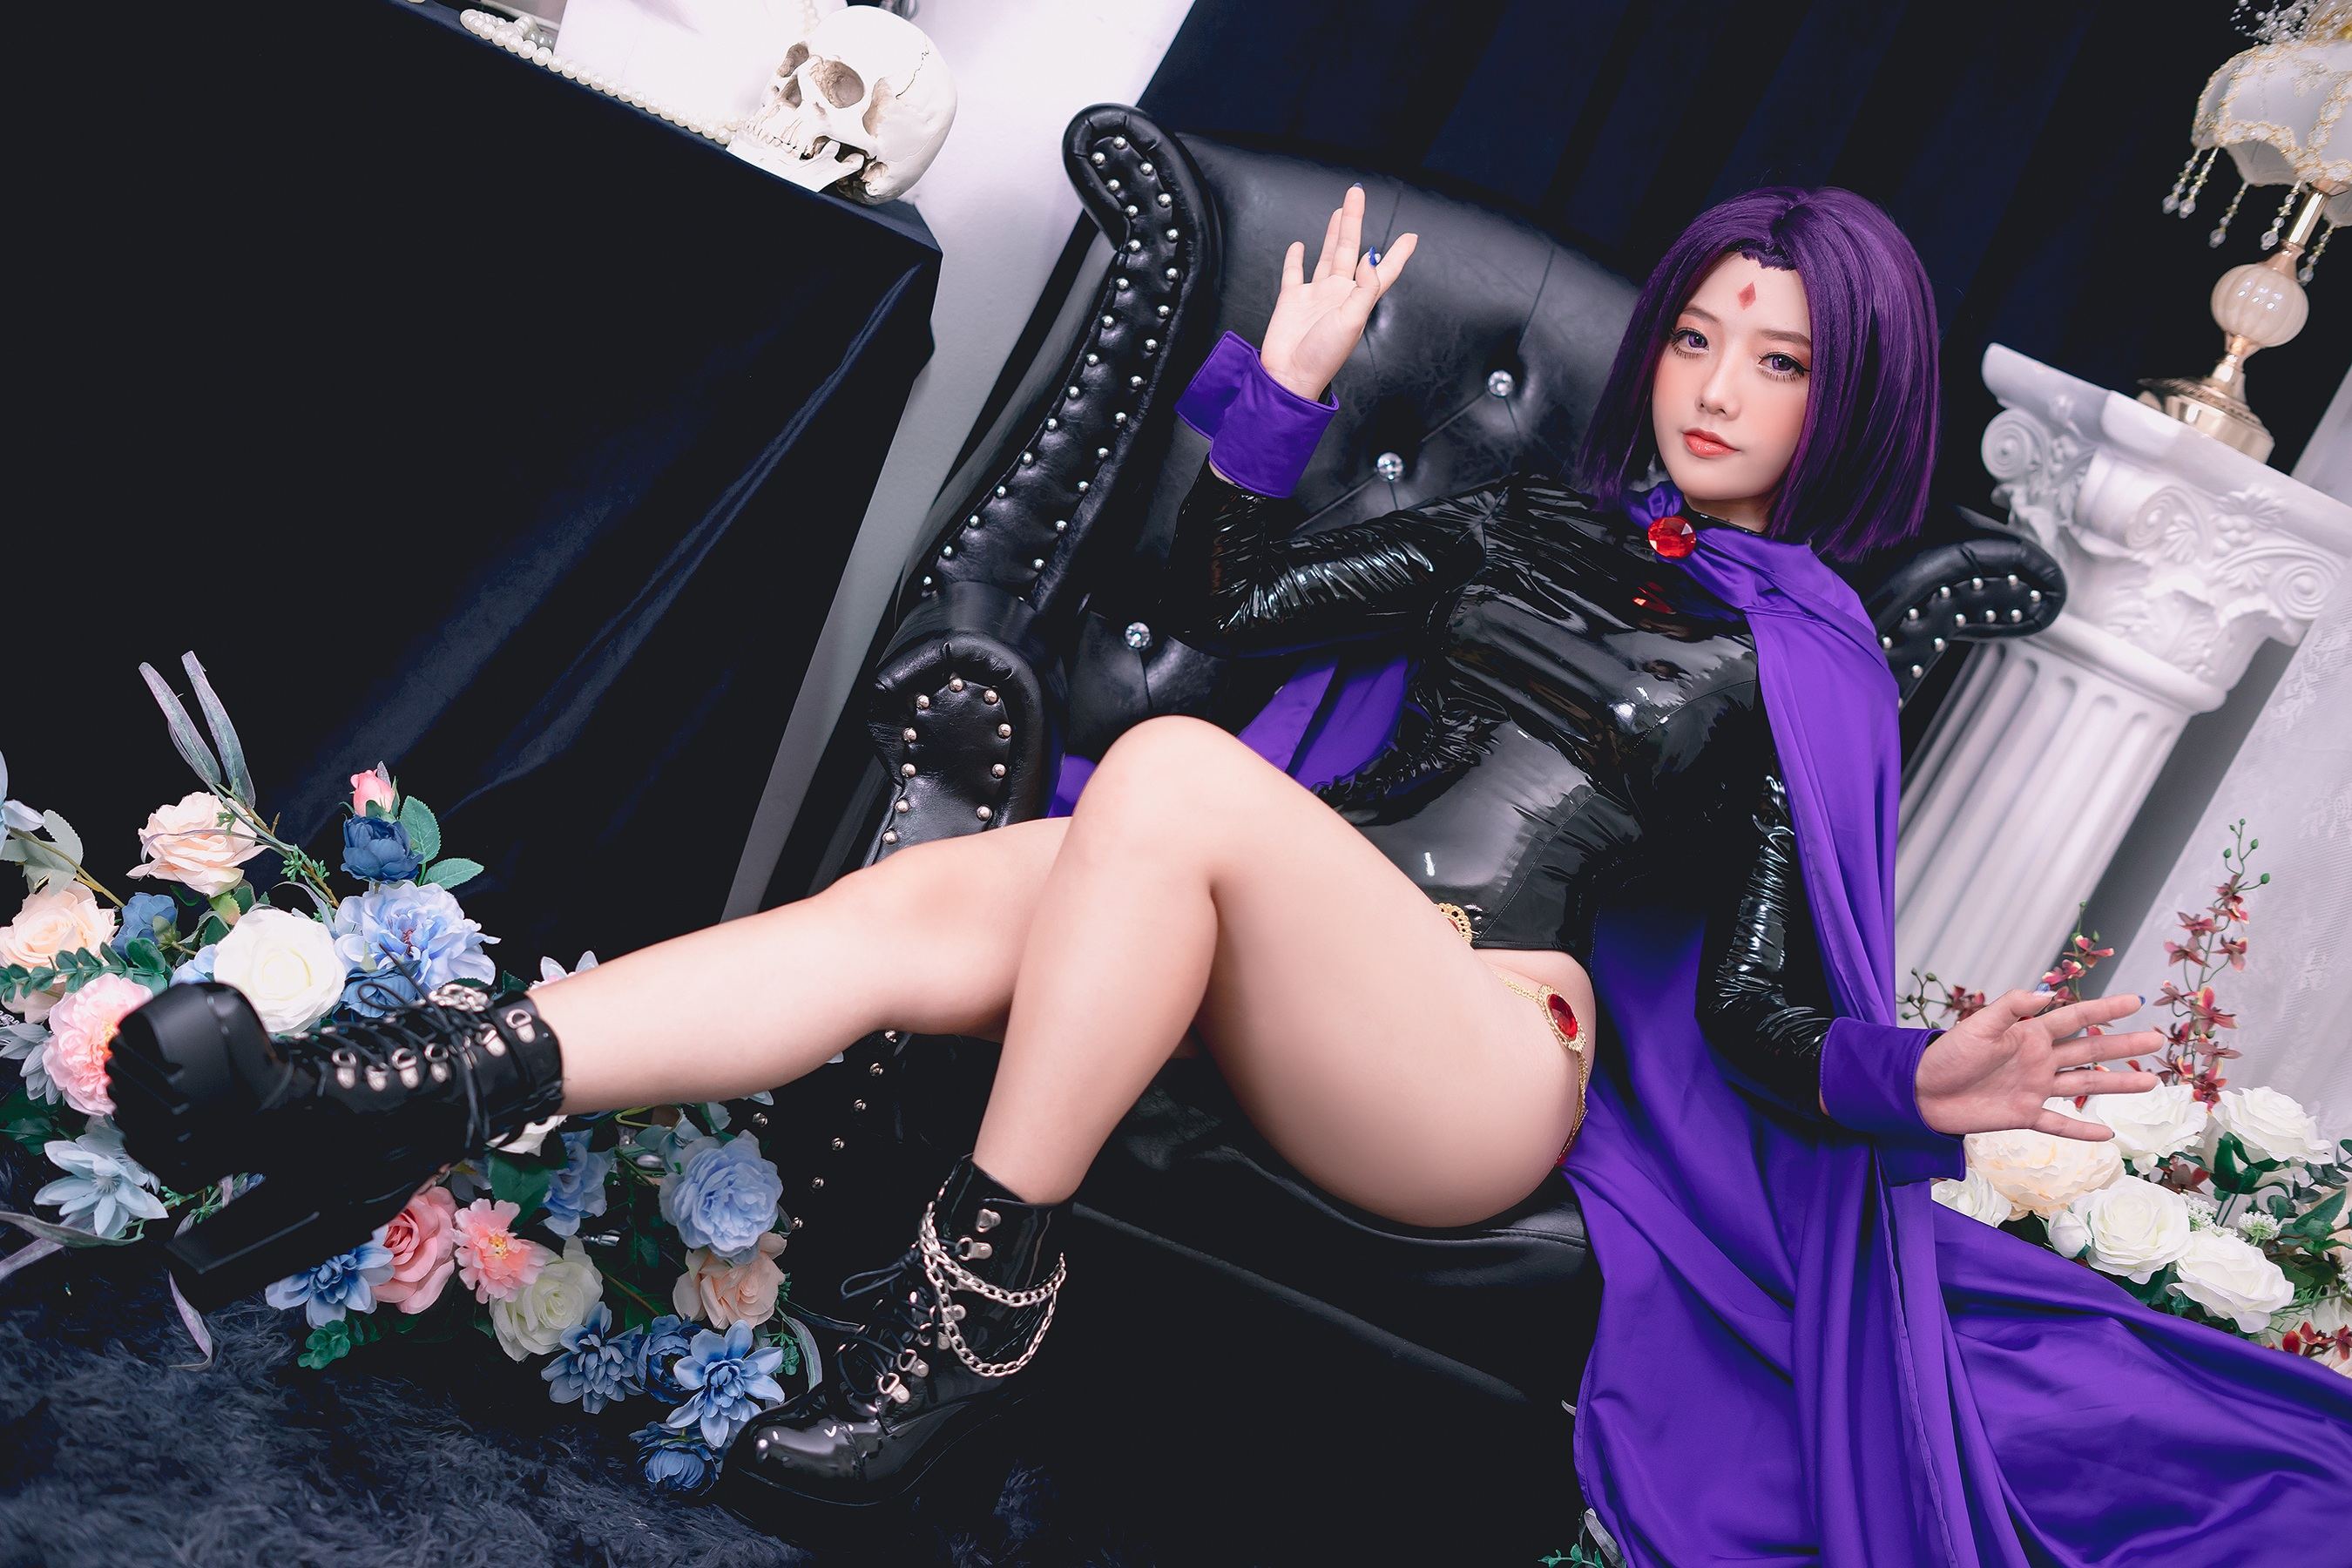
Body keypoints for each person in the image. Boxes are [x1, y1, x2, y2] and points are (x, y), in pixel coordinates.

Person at [105, 184, 2350, 1562]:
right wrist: (1276, 396)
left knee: (1158, 789)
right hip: (1267, 950)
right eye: (1695, 335)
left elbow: (1766, 999)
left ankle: (967, 1322)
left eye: (1776, 361)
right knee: (910, 913)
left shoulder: (1815, 665)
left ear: (1845, 401)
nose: (1710, 386)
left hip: (1481, 1058)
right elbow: (1240, 616)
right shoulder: (1514, 527)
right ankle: (378, 1096)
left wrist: (1914, 1083)